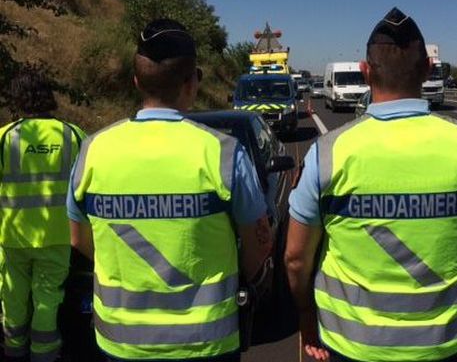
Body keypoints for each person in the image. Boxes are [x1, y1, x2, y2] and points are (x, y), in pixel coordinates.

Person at [285, 7, 457, 362]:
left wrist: (305, 314)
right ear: (427, 69)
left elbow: (296, 259)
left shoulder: (327, 154)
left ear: (365, 72)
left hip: (352, 349)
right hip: (449, 346)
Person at [67, 19, 273, 362]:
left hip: (120, 343)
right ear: (192, 83)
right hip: (208, 343)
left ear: (136, 82)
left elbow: (78, 239)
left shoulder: (92, 150)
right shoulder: (223, 153)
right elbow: (259, 243)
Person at [0, 66, 86, 362]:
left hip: (12, 237)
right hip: (59, 236)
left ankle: (13, 352)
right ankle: (45, 354)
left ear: (16, 100)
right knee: (48, 300)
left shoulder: (4, 137)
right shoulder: (73, 135)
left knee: (13, 300)